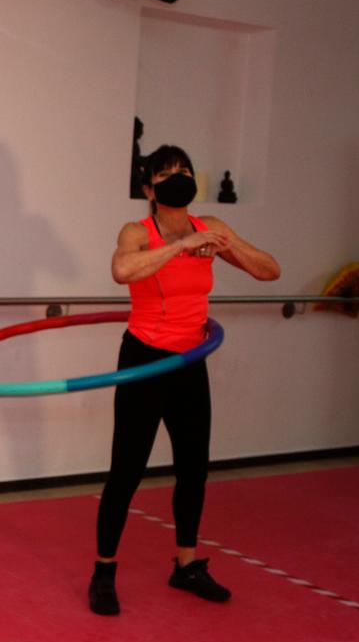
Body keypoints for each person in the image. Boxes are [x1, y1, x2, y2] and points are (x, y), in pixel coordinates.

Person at [89, 145, 281, 616]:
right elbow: (120, 270)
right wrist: (178, 247)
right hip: (144, 359)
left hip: (190, 360)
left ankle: (187, 564)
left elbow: (270, 270)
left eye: (186, 171)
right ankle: (104, 570)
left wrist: (224, 244)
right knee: (126, 471)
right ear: (149, 187)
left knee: (194, 468)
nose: (180, 178)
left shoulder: (210, 227)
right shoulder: (139, 231)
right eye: (168, 173)